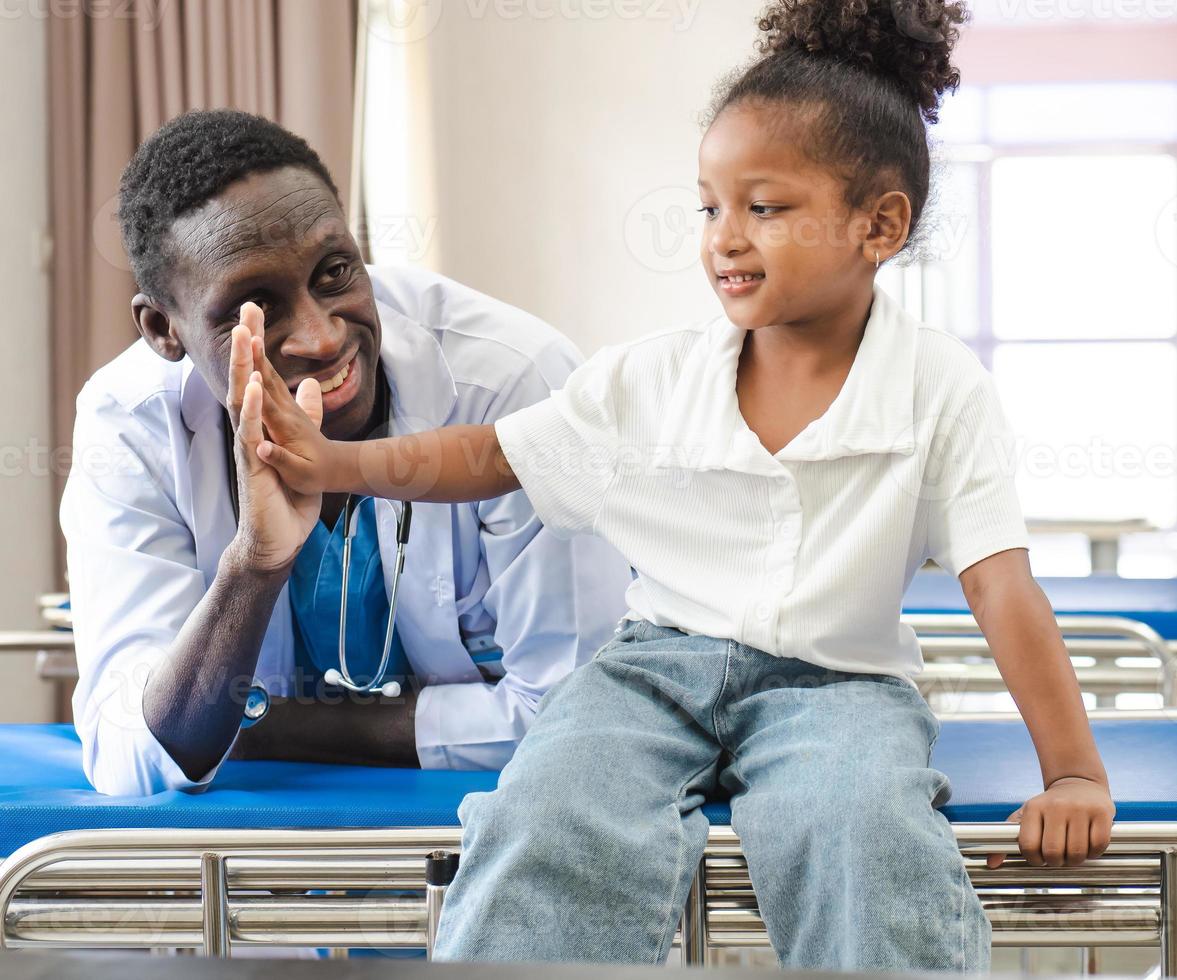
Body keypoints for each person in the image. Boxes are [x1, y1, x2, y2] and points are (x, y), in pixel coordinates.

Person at [240, 0, 1116, 970]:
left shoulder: (939, 389)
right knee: (544, 812)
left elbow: (1002, 587)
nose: (722, 237)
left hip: (842, 687)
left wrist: (1072, 769)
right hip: (651, 673)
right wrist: (336, 465)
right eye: (708, 206)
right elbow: (491, 453)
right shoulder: (649, 378)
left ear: (880, 225)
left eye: (764, 207)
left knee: (861, 829)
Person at [60, 109, 633, 797]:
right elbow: (132, 756)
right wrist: (253, 567)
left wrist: (258, 728)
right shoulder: (130, 423)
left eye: (334, 271)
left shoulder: (512, 381)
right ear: (163, 329)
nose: (321, 337)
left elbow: (578, 719)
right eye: (255, 308)